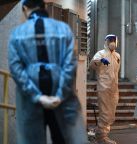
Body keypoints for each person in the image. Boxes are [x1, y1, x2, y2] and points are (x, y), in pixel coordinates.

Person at [8, 0, 88, 143]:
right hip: (60, 95)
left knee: (32, 138)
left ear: (25, 8)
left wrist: (37, 96)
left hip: (30, 97)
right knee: (63, 136)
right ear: (44, 7)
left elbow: (16, 69)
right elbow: (69, 65)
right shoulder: (63, 29)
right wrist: (59, 95)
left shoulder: (17, 33)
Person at [90, 34, 120, 144]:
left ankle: (104, 135)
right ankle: (101, 137)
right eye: (110, 40)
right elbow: (92, 65)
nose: (112, 42)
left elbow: (115, 72)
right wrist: (100, 60)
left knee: (111, 114)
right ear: (106, 41)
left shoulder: (117, 56)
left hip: (114, 88)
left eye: (114, 40)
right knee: (104, 113)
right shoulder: (100, 53)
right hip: (103, 87)